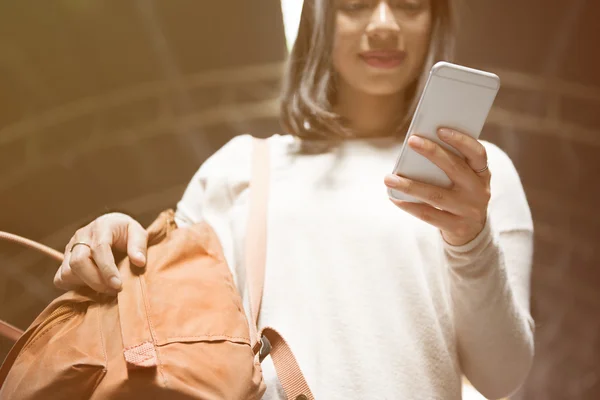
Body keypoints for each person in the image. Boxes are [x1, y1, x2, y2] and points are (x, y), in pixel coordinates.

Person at [53, 0, 535, 398]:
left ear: (435, 20)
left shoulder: (478, 176)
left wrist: (470, 239)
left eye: (409, 5)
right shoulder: (237, 169)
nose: (384, 24)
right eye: (357, 4)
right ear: (320, 18)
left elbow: (502, 377)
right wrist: (119, 248)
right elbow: (162, 331)